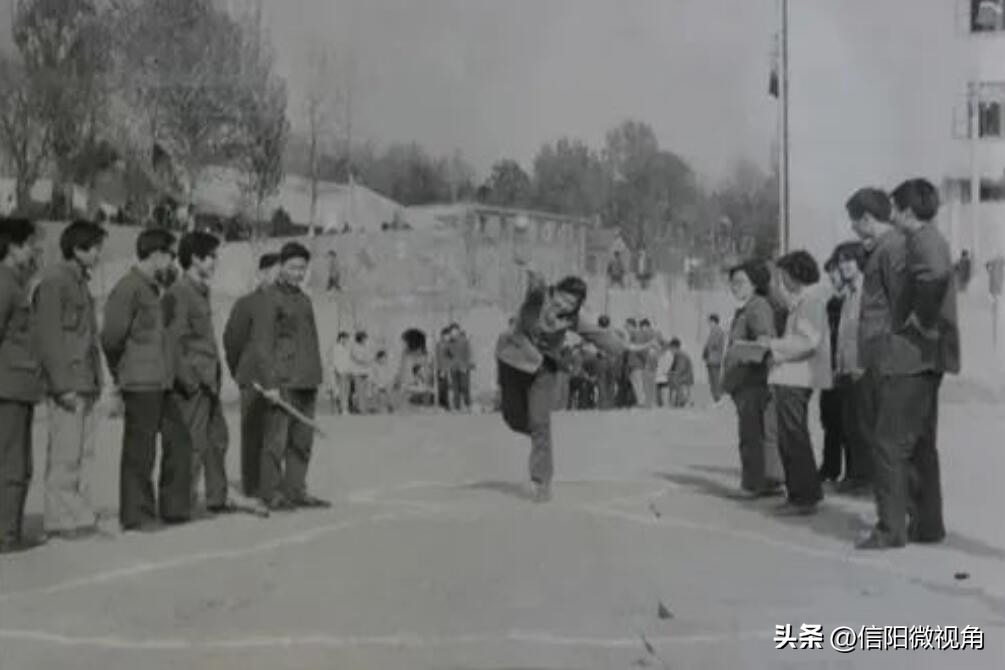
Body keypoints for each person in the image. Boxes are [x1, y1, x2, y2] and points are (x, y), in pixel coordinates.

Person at [858, 179, 959, 550]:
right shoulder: (924, 241)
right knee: (918, 445)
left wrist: (920, 320)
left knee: (888, 444)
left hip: (908, 358)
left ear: (906, 210)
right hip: (921, 358)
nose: (893, 213)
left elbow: (933, 278)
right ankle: (927, 525)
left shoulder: (921, 242)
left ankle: (890, 529)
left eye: (896, 206)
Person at [496, 273, 652, 502]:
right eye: (562, 299)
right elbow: (533, 290)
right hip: (513, 360)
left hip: (543, 368)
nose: (564, 306)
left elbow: (597, 335)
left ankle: (542, 481)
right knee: (514, 419)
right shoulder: (537, 300)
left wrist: (626, 347)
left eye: (571, 304)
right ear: (554, 292)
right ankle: (538, 435)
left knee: (541, 422)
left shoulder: (571, 319)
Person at [101, 228, 192, 531]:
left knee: (179, 440)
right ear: (156, 255)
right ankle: (136, 514)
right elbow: (111, 337)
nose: (172, 262)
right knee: (140, 451)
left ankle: (174, 507)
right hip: (140, 382)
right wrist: (122, 372)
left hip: (162, 381)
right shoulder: (128, 288)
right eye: (170, 255)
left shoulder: (155, 290)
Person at [165, 232, 252, 517]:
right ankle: (178, 506)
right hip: (192, 385)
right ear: (194, 258)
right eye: (211, 256)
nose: (215, 262)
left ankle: (217, 497)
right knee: (190, 445)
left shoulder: (201, 291)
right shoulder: (179, 293)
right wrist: (189, 380)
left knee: (217, 439)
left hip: (208, 383)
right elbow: (172, 342)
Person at [33, 220, 108, 540]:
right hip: (69, 383)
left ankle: (75, 513)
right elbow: (48, 338)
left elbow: (88, 337)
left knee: (82, 453)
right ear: (78, 249)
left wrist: (98, 380)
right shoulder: (55, 282)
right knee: (64, 454)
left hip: (85, 380)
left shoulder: (79, 282)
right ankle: (60, 518)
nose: (99, 254)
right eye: (95, 248)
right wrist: (61, 385)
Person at [250, 241, 330, 511]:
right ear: (281, 267)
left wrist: (317, 374)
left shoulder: (304, 299)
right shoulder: (270, 298)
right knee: (276, 441)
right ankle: (270, 493)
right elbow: (262, 344)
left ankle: (295, 490)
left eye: (302, 268)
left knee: (302, 441)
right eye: (293, 267)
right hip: (283, 380)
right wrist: (270, 383)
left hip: (307, 379)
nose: (298, 273)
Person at [765, 251, 832, 516]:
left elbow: (808, 342)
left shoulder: (811, 301)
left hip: (798, 377)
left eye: (784, 276)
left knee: (794, 437)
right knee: (789, 436)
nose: (782, 282)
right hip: (790, 376)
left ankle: (805, 496)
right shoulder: (803, 302)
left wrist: (772, 345)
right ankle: (800, 492)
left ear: (796, 274)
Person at [0, 218, 44, 553]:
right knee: (12, 463)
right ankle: (6, 534)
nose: (34, 250)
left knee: (17, 462)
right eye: (28, 244)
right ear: (12, 247)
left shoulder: (16, 282)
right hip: (8, 387)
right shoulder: (4, 284)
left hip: (18, 385)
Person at [721, 261, 782, 498]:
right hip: (746, 383)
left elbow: (765, 340)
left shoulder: (757, 307)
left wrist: (742, 350)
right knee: (755, 434)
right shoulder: (747, 308)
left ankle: (755, 483)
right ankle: (766, 481)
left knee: (752, 435)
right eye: (732, 282)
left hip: (753, 381)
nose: (734, 287)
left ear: (755, 284)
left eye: (740, 282)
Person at [223, 251, 279, 498]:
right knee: (254, 433)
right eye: (277, 273)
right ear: (263, 274)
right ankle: (253, 486)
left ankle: (273, 483)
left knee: (278, 435)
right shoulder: (246, 304)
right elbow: (232, 339)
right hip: (254, 379)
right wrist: (240, 371)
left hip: (281, 378)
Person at [832, 240, 871, 494]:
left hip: (863, 371)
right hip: (846, 370)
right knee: (849, 426)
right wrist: (837, 368)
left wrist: (865, 365)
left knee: (865, 427)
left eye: (849, 260)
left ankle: (868, 480)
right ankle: (855, 475)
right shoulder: (848, 295)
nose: (844, 266)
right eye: (841, 261)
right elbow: (843, 337)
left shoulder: (869, 293)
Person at [817, 254, 846, 484]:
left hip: (841, 367)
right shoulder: (832, 302)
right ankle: (830, 466)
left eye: (834, 273)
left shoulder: (847, 301)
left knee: (843, 420)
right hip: (829, 366)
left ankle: (843, 469)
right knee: (829, 419)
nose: (832, 278)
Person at [447, 323, 473, 411]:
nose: (454, 333)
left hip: (463, 367)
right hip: (454, 368)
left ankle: (468, 404)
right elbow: (447, 355)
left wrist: (466, 365)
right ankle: (457, 406)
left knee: (465, 386)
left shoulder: (464, 341)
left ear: (458, 331)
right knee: (455, 387)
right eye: (452, 332)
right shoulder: (449, 343)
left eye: (455, 331)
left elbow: (468, 354)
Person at [702, 314, 726, 403]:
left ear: (714, 321)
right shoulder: (713, 331)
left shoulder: (717, 331)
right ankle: (716, 397)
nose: (709, 324)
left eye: (710, 322)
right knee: (712, 379)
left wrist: (706, 349)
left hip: (714, 359)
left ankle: (717, 397)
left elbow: (713, 344)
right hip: (711, 359)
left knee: (715, 379)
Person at [327, 331, 352, 415]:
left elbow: (347, 361)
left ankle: (344, 408)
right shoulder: (336, 348)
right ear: (341, 338)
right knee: (340, 392)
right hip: (339, 372)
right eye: (346, 338)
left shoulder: (346, 348)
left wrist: (349, 371)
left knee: (345, 391)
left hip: (346, 372)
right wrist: (338, 371)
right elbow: (334, 361)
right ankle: (342, 409)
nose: (347, 340)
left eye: (348, 339)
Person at [349, 330, 373, 414]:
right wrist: (366, 360)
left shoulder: (365, 347)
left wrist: (367, 360)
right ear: (360, 338)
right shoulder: (355, 347)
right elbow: (357, 358)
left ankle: (364, 408)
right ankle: (361, 409)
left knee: (365, 392)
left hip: (365, 372)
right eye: (364, 338)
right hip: (357, 372)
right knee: (359, 392)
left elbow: (370, 357)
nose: (365, 340)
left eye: (365, 338)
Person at [666, 338, 695, 408]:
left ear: (675, 348)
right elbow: (673, 368)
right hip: (683, 375)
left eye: (671, 349)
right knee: (671, 378)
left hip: (687, 376)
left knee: (675, 380)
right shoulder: (677, 355)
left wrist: (672, 374)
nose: (670, 351)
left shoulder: (681, 355)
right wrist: (669, 373)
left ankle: (683, 399)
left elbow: (681, 368)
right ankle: (678, 399)